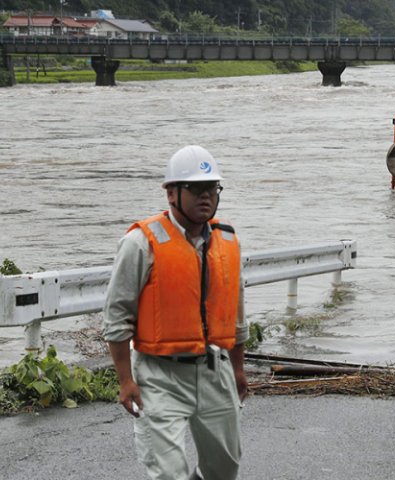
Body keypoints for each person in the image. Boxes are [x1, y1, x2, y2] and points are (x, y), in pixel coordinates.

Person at [103, 145, 248, 479]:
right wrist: (125, 380)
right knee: (168, 472)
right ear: (171, 193)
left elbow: (237, 316)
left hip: (214, 370)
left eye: (212, 188)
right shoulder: (141, 243)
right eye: (196, 189)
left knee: (224, 468)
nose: (206, 197)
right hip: (159, 375)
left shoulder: (227, 241)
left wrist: (238, 370)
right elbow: (116, 316)